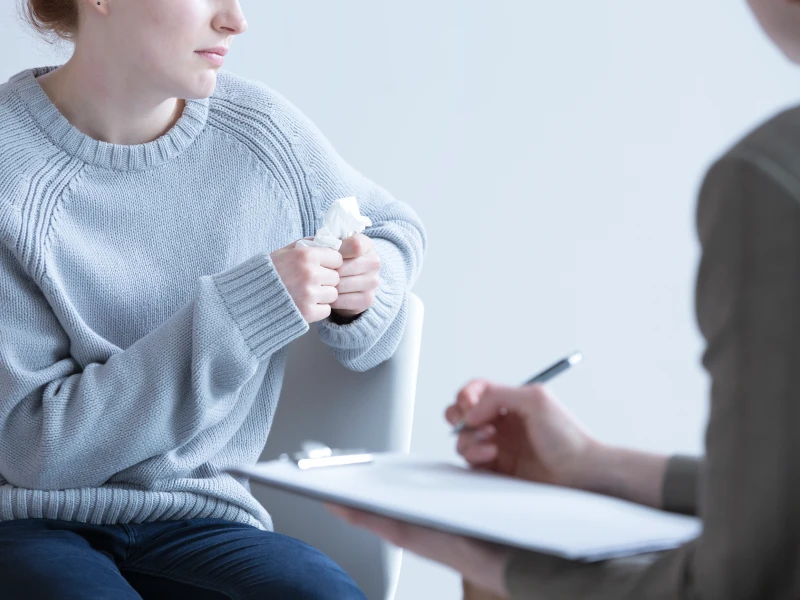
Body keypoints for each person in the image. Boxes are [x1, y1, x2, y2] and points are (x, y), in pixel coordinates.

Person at [330, 0, 800, 598]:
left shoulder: (769, 178)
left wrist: (496, 563)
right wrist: (593, 464)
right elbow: (778, 501)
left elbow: (741, 584)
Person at [0, 0, 425, 598]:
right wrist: (246, 312)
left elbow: (392, 229)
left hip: (203, 518)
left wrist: (361, 295)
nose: (235, 19)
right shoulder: (9, 169)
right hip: (25, 524)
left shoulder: (262, 135)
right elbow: (32, 451)